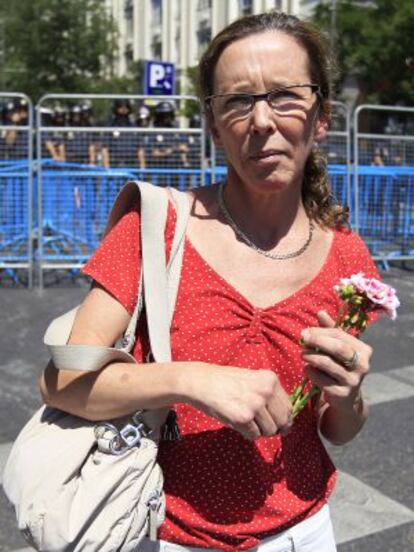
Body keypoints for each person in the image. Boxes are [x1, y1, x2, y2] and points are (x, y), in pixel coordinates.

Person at [40, 11, 381, 552]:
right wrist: (192, 379)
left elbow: (335, 428)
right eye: (238, 101)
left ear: (321, 117)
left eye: (285, 95)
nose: (262, 120)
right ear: (214, 125)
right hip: (168, 532)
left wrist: (349, 396)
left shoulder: (348, 255)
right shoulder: (157, 225)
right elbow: (61, 383)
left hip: (307, 532)